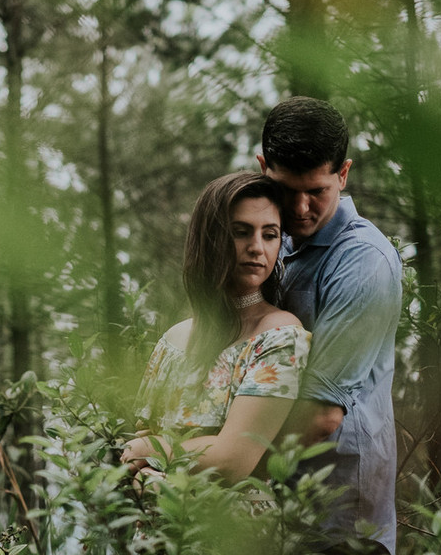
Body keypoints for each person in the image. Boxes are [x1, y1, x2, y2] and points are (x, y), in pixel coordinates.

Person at [258, 96, 403, 555]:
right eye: (285, 190)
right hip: (285, 523)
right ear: (262, 169)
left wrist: (215, 451)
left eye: (316, 191)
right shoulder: (277, 246)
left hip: (343, 535)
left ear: (343, 174)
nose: (301, 208)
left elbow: (322, 416)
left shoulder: (363, 262)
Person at [121, 171, 311, 491]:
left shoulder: (280, 338)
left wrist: (156, 451)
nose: (256, 247)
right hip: (155, 524)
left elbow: (233, 460)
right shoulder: (173, 341)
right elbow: (139, 441)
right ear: (211, 238)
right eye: (240, 232)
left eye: (270, 234)